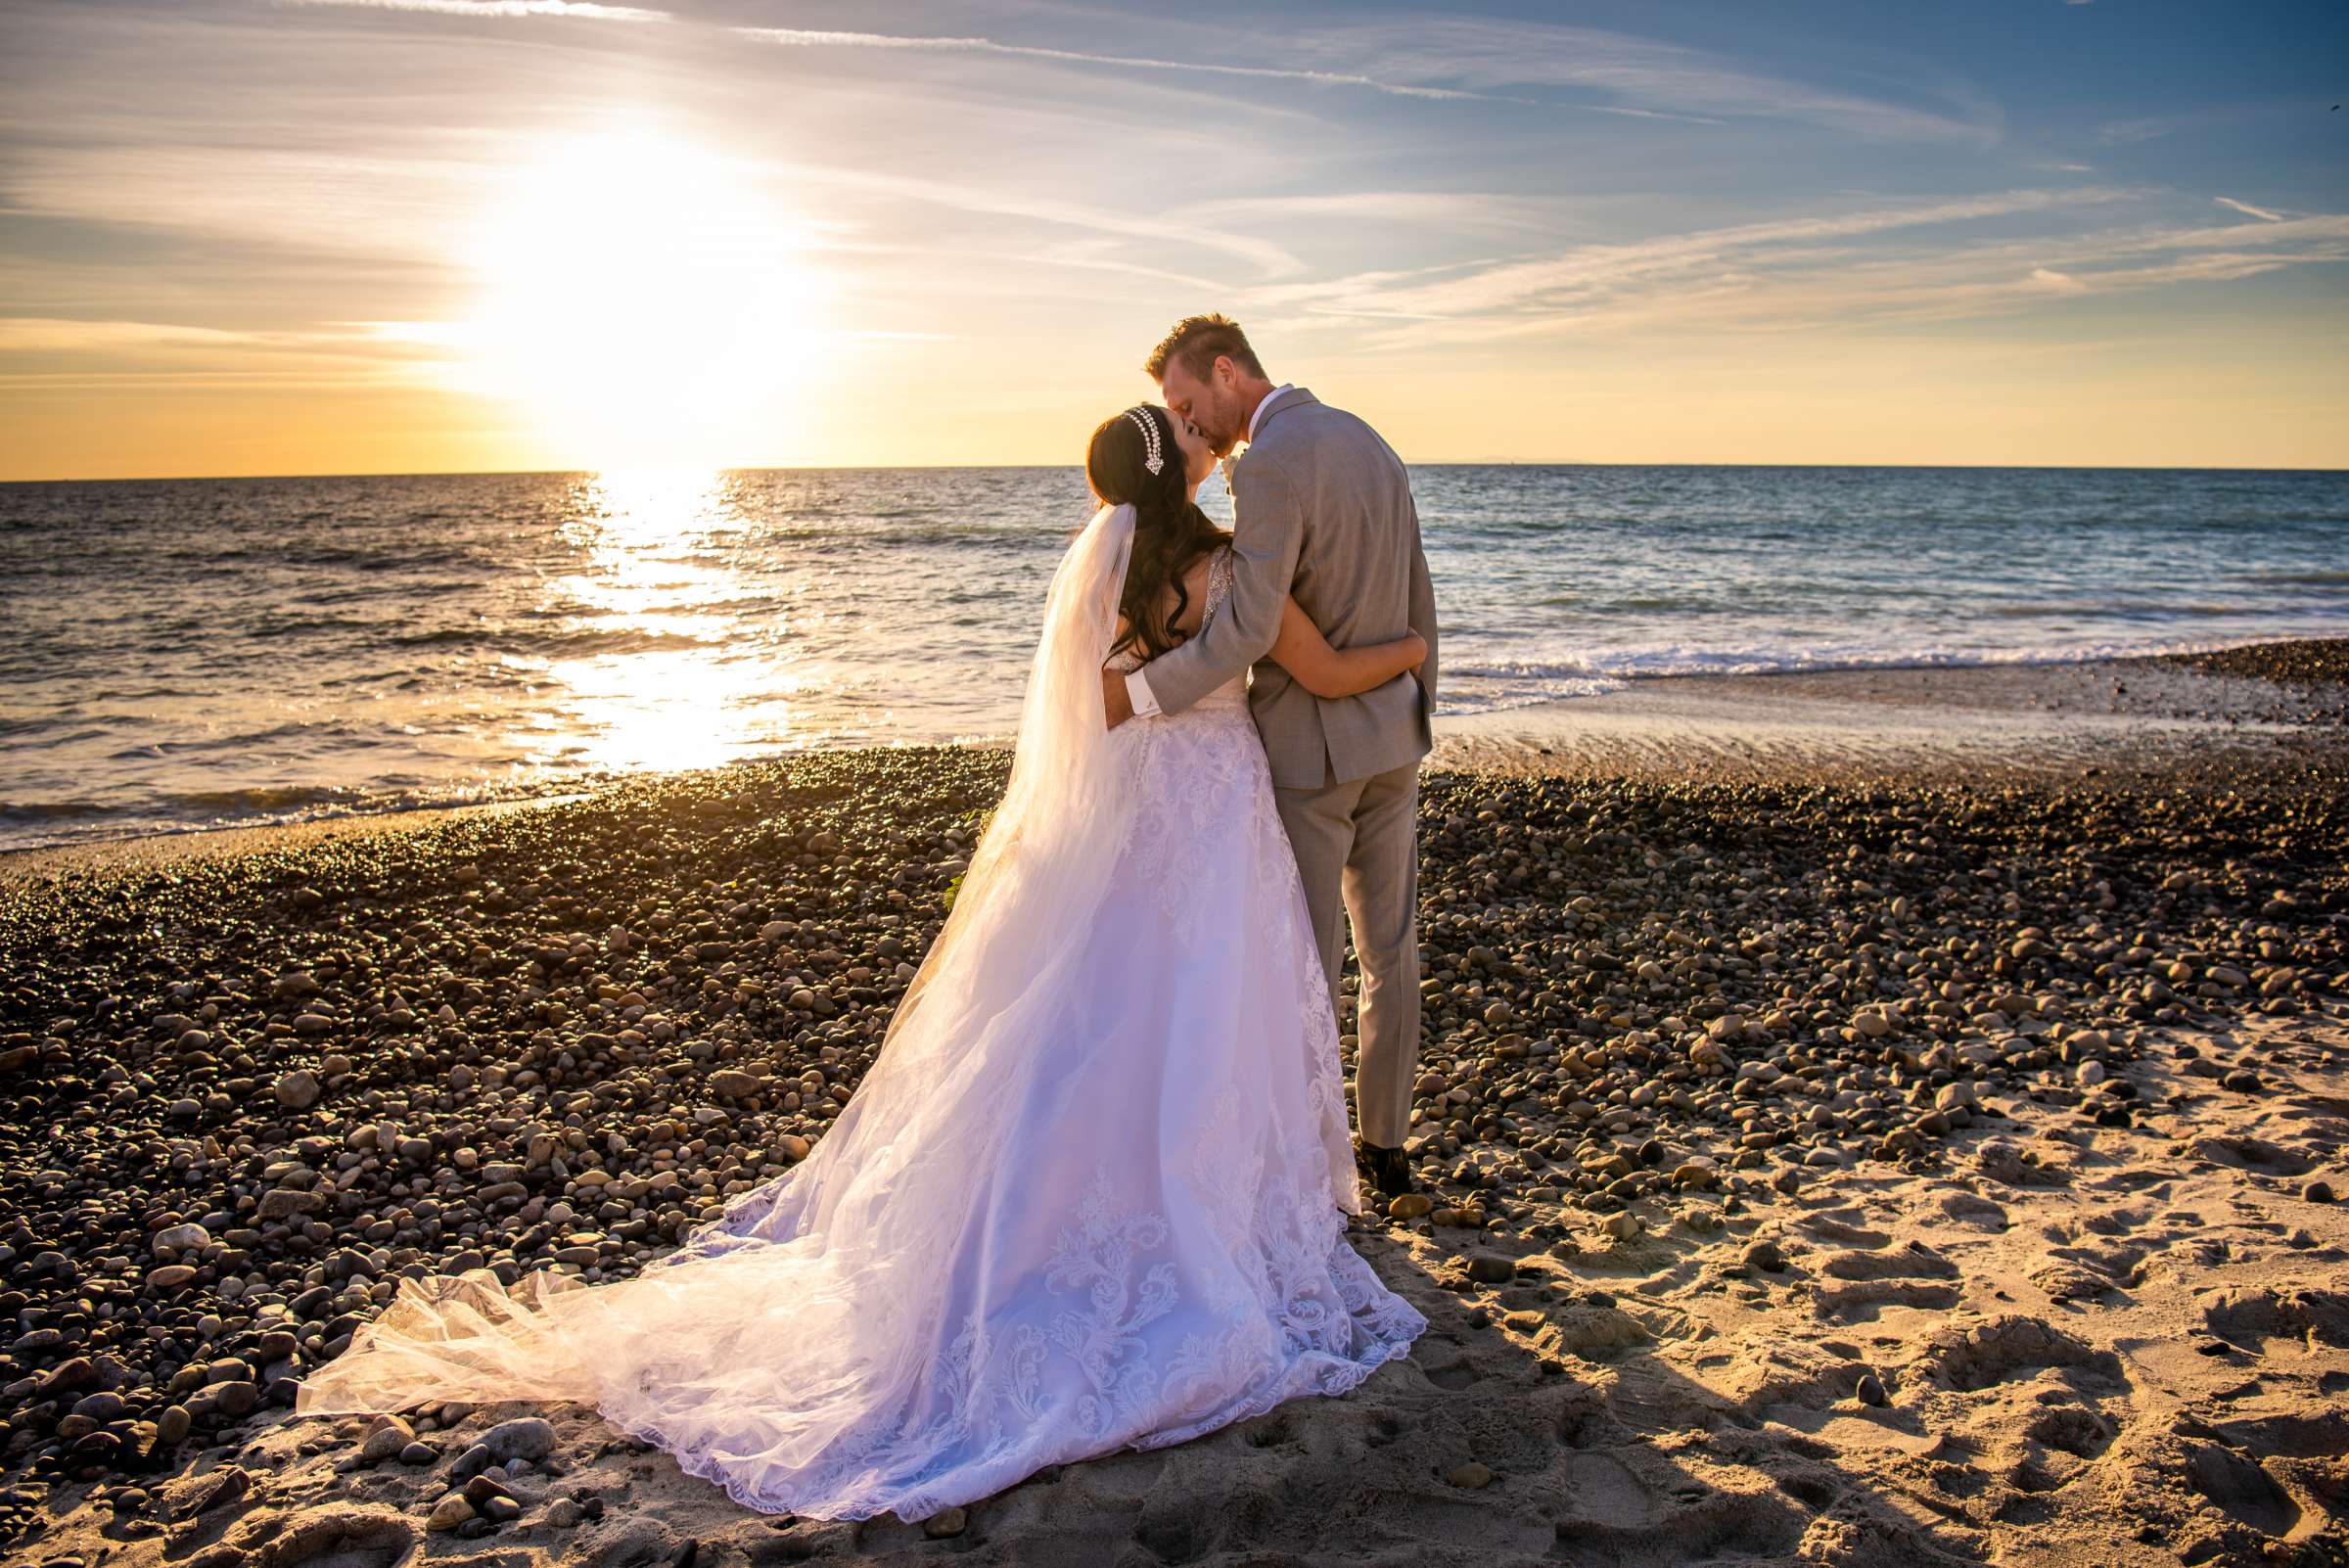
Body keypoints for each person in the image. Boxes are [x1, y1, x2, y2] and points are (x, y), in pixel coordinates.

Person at [292, 397, 1429, 1524]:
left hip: (1138, 814)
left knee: (1088, 1018)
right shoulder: (1230, 571)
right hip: (1216, 813)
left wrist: (1145, 705)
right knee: (1205, 1013)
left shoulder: (1102, 570)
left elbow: (1086, 713)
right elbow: (1321, 674)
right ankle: (1214, 1215)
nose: (1203, 434)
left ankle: (1028, 1225)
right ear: (1177, 471)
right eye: (1186, 431)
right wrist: (1414, 649)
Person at [1107, 314, 1437, 1202]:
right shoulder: (1372, 441)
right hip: (1394, 738)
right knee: (1390, 950)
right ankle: (1388, 1147)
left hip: (1310, 755)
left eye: (1186, 401)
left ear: (1225, 371)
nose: (1191, 421)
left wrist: (1137, 695)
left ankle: (1308, 1160)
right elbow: (1418, 594)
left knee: (1304, 958)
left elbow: (1250, 625)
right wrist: (1417, 703)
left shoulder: (1272, 463)